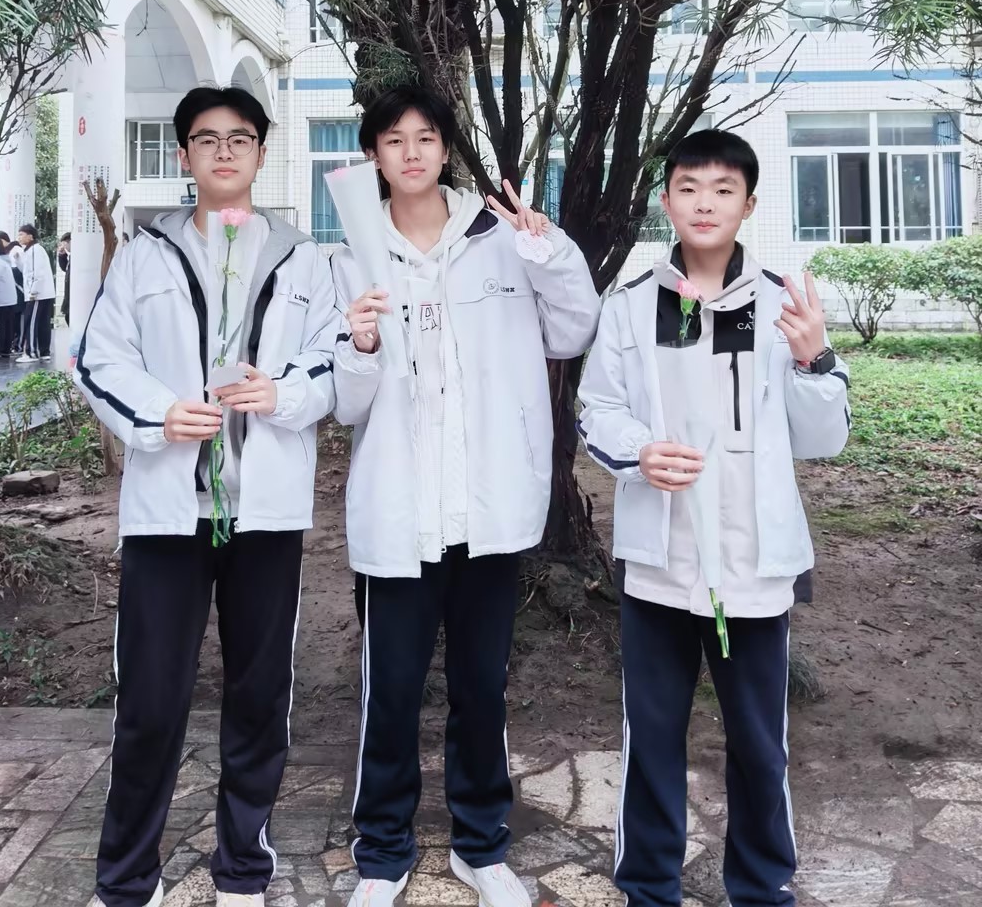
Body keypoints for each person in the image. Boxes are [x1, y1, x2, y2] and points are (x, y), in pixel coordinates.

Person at [332, 86, 601, 907]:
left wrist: (546, 248)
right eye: (393, 139)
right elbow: (343, 404)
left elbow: (574, 329)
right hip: (400, 510)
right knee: (391, 693)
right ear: (374, 156)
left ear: (446, 148)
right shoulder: (351, 254)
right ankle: (382, 854)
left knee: (482, 689)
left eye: (425, 137)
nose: (411, 152)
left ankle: (481, 846)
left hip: (487, 510)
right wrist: (360, 345)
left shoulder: (501, 240)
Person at [75, 84, 341, 907]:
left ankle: (242, 869)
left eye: (239, 139)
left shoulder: (303, 258)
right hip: (168, 515)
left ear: (261, 152)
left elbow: (331, 360)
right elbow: (99, 358)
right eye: (206, 139)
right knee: (150, 700)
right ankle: (128, 879)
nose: (224, 152)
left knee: (259, 696)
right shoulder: (145, 256)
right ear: (185, 156)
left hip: (264, 515)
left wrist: (282, 394)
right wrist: (160, 413)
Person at [578, 129, 851, 907]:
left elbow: (823, 438)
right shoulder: (633, 305)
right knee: (651, 738)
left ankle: (761, 888)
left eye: (723, 189)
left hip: (753, 564)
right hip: (660, 563)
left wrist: (814, 359)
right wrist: (639, 454)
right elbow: (598, 408)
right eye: (689, 188)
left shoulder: (782, 304)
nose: (705, 203)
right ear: (666, 201)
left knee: (761, 746)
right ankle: (648, 888)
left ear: (749, 204)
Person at [18, 224, 56, 361]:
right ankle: (44, 352)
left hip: (37, 294)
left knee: (32, 322)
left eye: (21, 234)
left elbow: (36, 273)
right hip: (43, 293)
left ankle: (31, 352)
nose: (19, 237)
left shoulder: (34, 250)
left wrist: (33, 292)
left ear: (30, 236)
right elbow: (27, 271)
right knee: (43, 323)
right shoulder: (32, 250)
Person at [57, 232, 72, 326]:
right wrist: (62, 255)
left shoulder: (78, 256)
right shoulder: (69, 256)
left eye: (64, 244)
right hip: (68, 294)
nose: (63, 247)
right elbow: (64, 268)